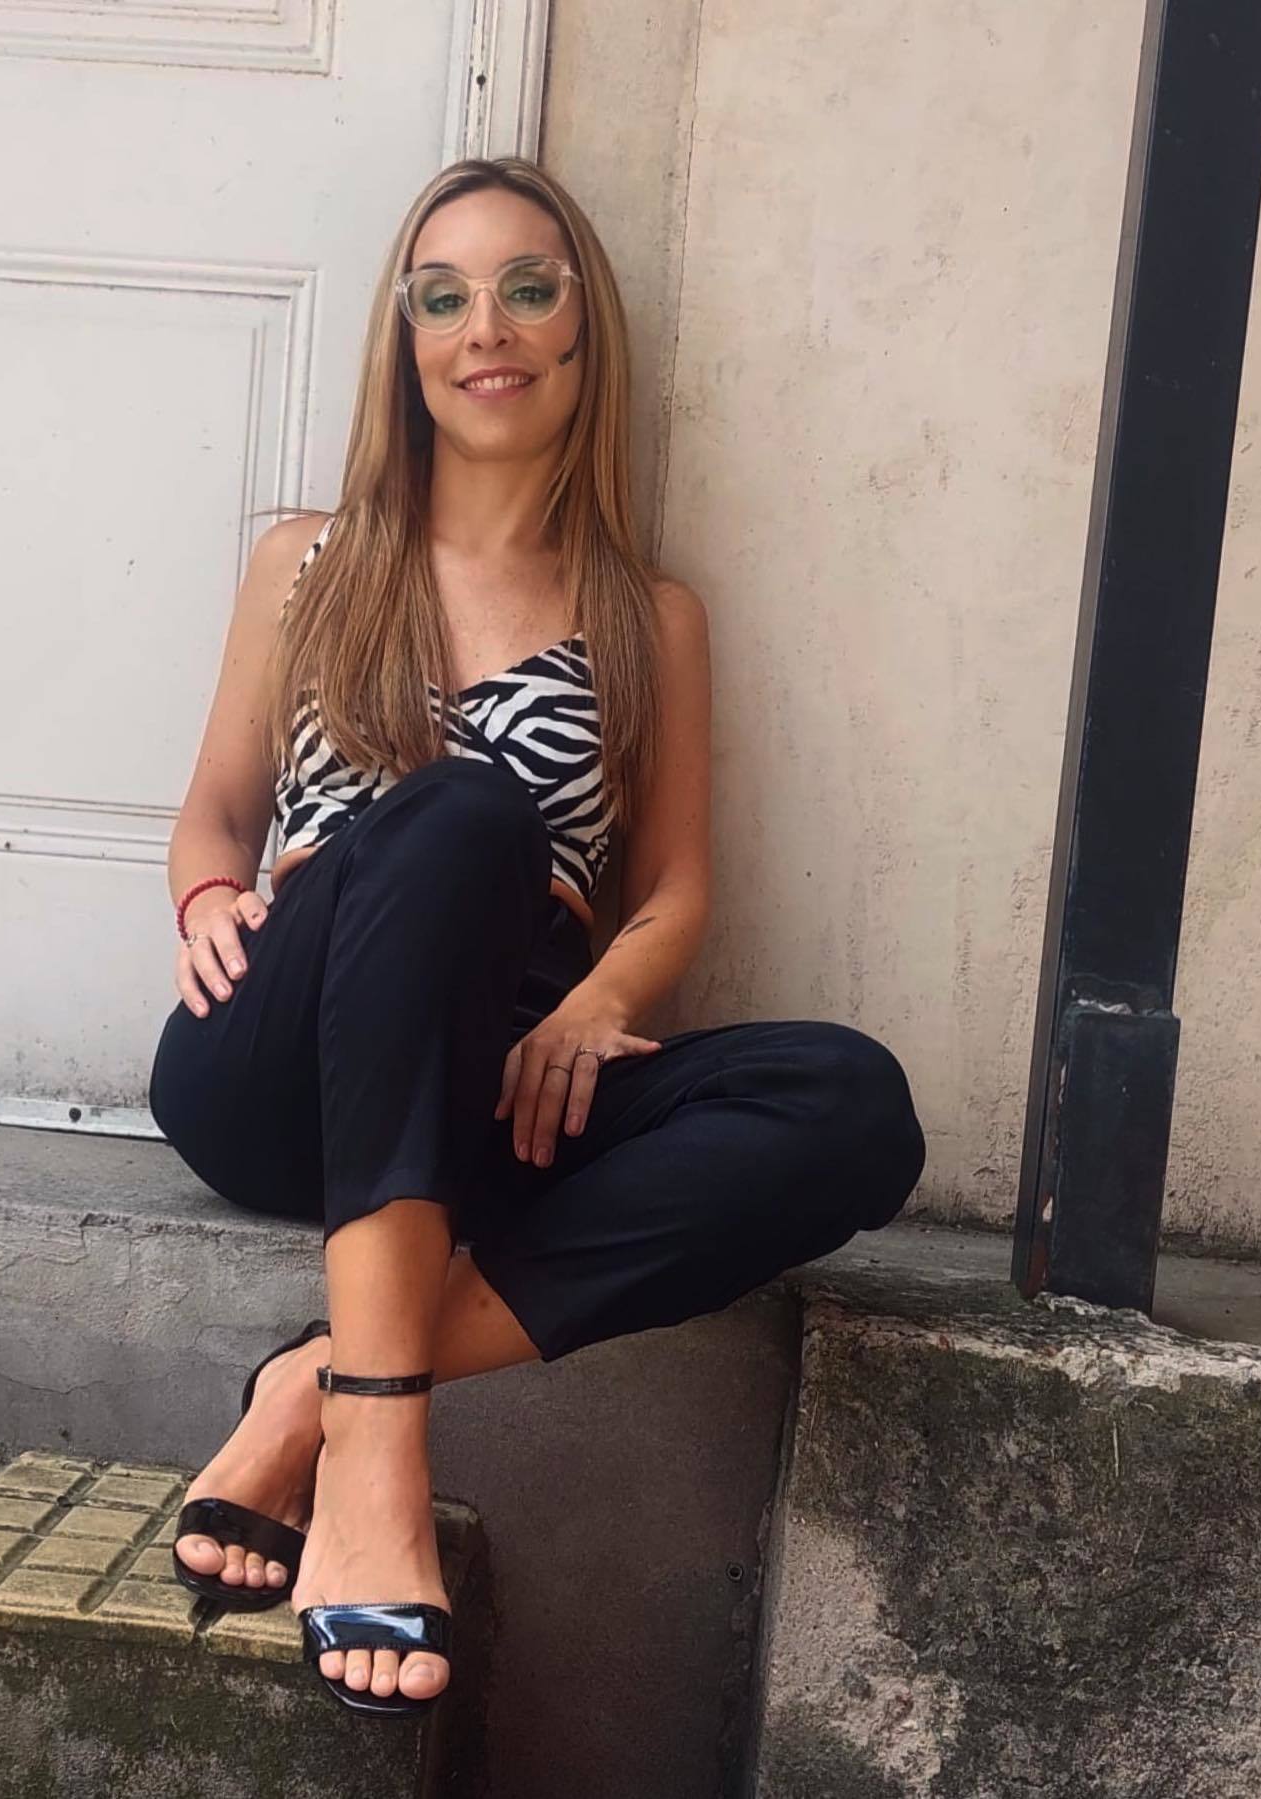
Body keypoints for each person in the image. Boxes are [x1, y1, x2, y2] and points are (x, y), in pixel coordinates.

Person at [147, 155, 926, 1720]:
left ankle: (315, 1382)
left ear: (582, 328)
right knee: (462, 811)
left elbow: (677, 888)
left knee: (849, 1103)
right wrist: (208, 900)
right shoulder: (306, 563)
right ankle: (380, 1446)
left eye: (526, 288)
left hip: (502, 1075)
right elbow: (216, 811)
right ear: (407, 341)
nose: (484, 328)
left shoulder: (647, 615)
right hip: (284, 1060)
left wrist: (591, 1009)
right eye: (442, 296)